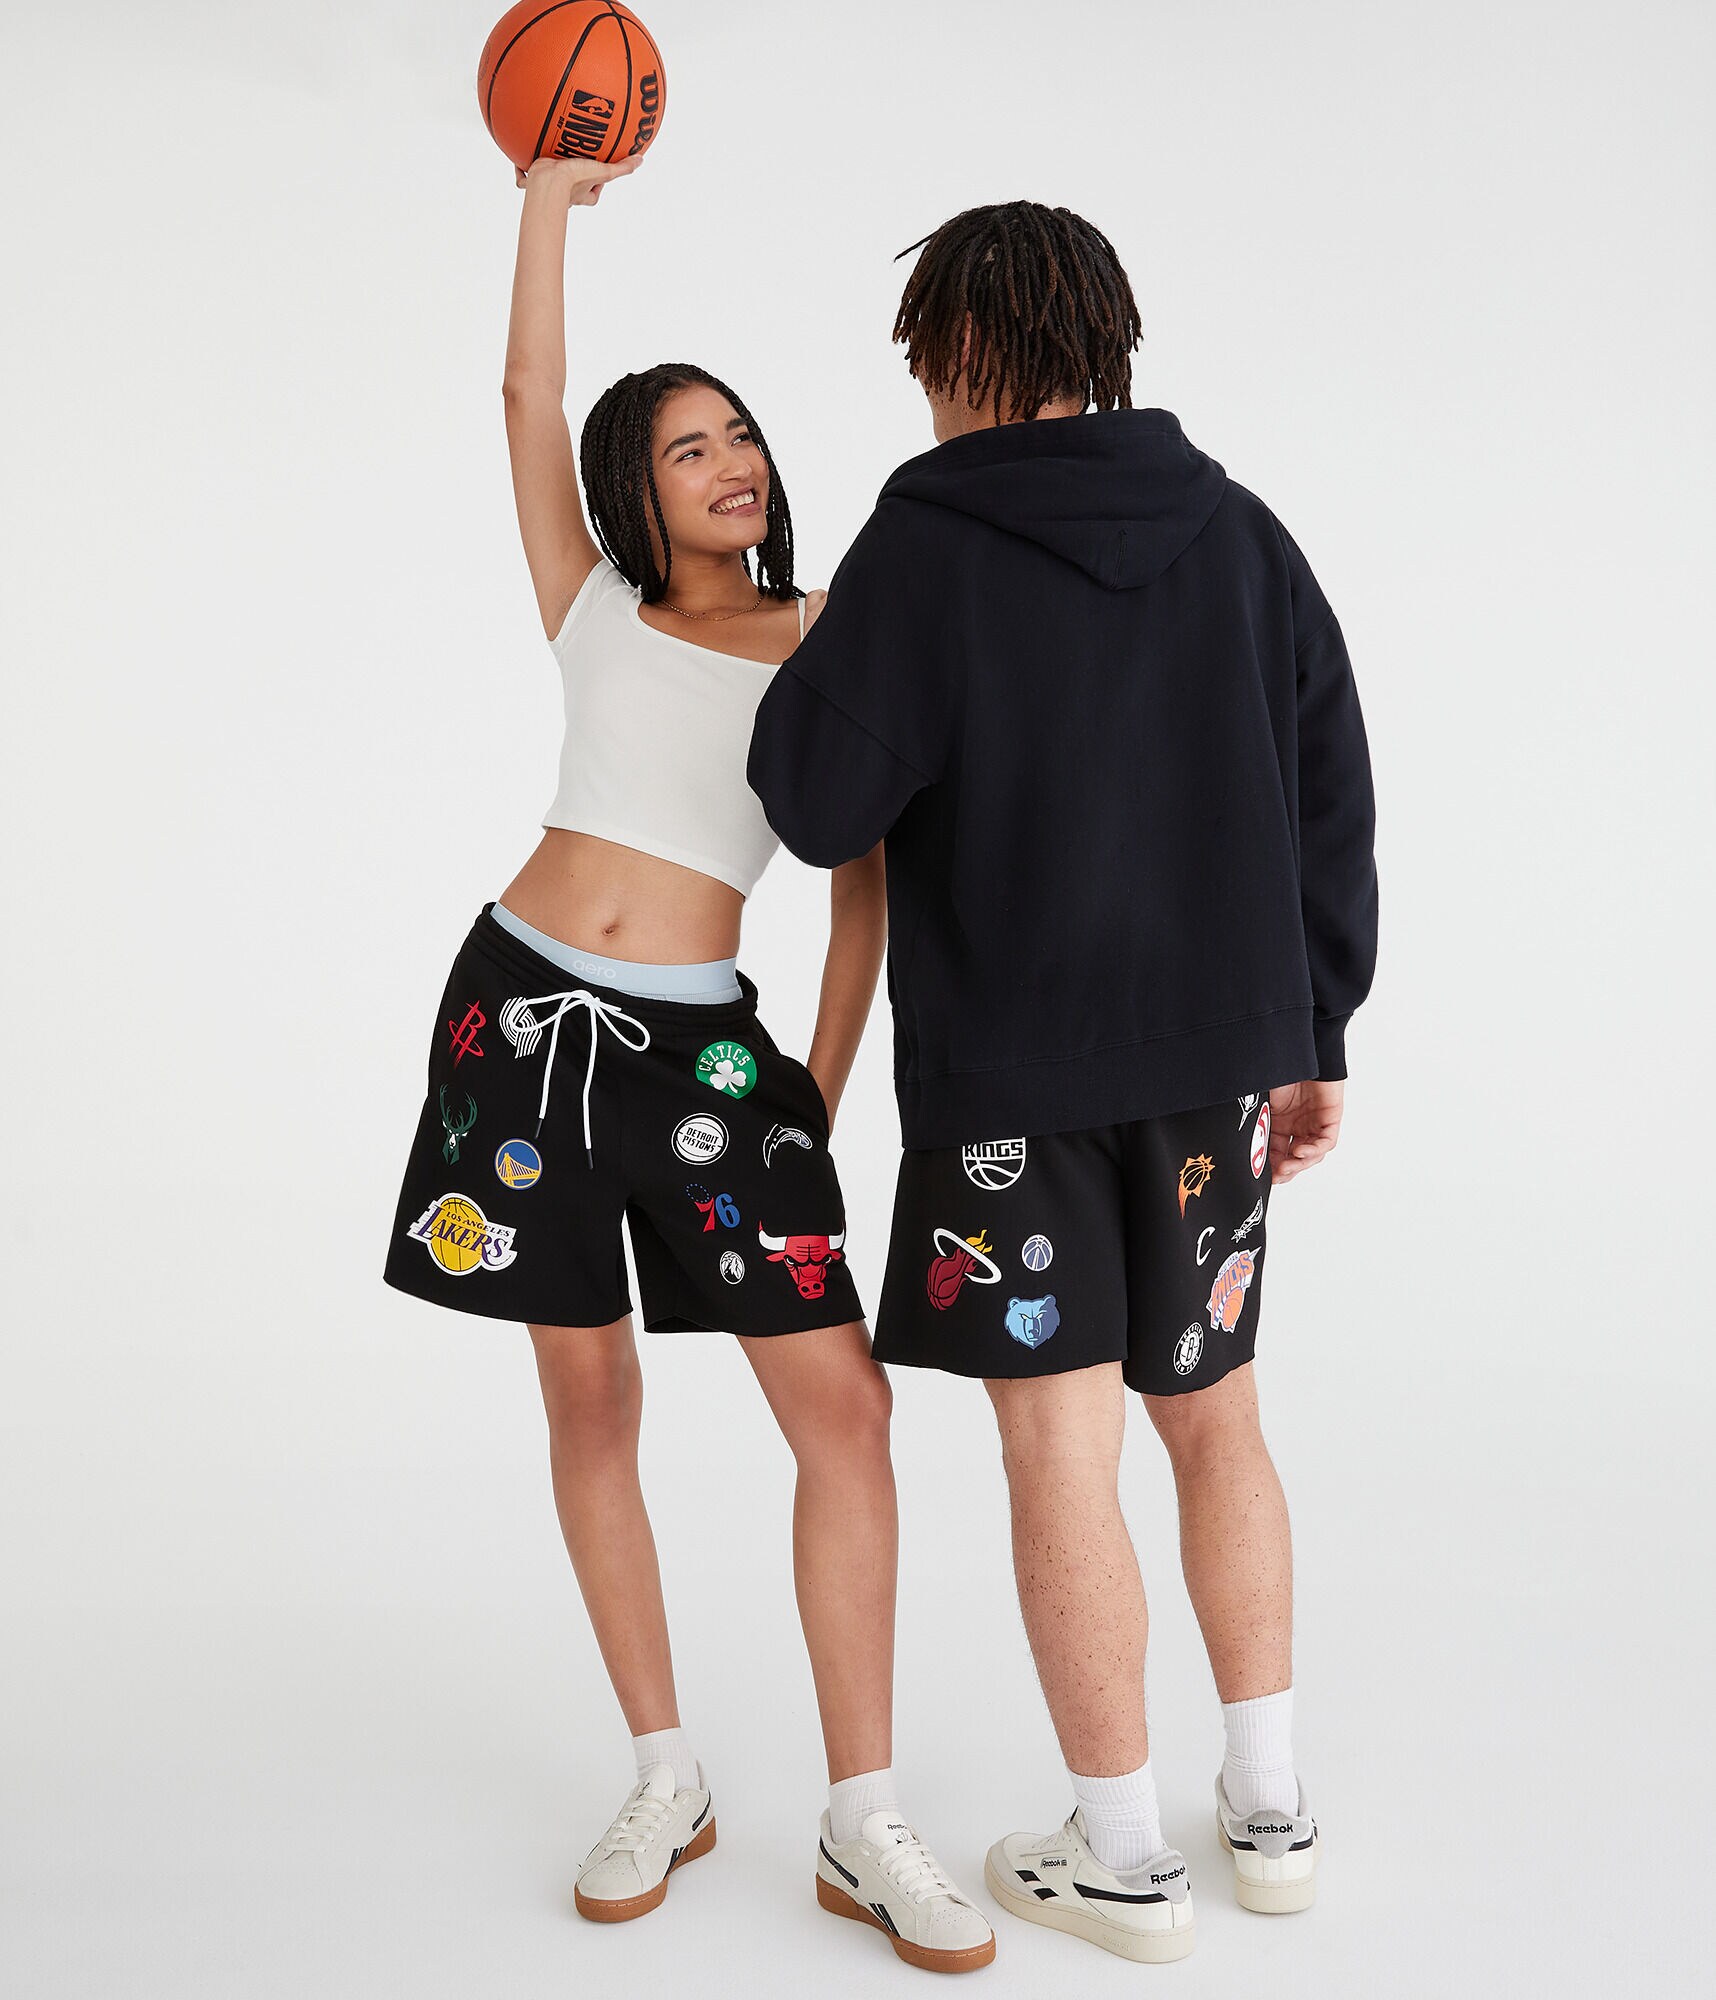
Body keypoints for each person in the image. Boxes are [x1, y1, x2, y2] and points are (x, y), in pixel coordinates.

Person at [749, 199, 1378, 1964]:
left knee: (1059, 1453)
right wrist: (1314, 1028)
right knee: (1219, 1417)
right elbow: (1330, 784)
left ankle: (1120, 1855)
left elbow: (817, 806)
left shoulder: (924, 542)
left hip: (1008, 1089)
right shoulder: (1238, 532)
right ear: (1102, 343)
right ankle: (1272, 1812)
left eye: (925, 361)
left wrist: (820, 649)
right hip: (1216, 1072)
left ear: (960, 351)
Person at [383, 154, 992, 1973]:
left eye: (742, 436)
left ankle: (864, 1814)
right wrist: (546, 197)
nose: (734, 463)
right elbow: (525, 389)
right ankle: (665, 1772)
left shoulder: (832, 640)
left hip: (712, 1058)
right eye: (687, 448)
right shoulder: (588, 603)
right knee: (589, 1403)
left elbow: (862, 903)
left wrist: (815, 1083)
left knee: (845, 1411)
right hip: (518, 1021)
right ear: (631, 496)